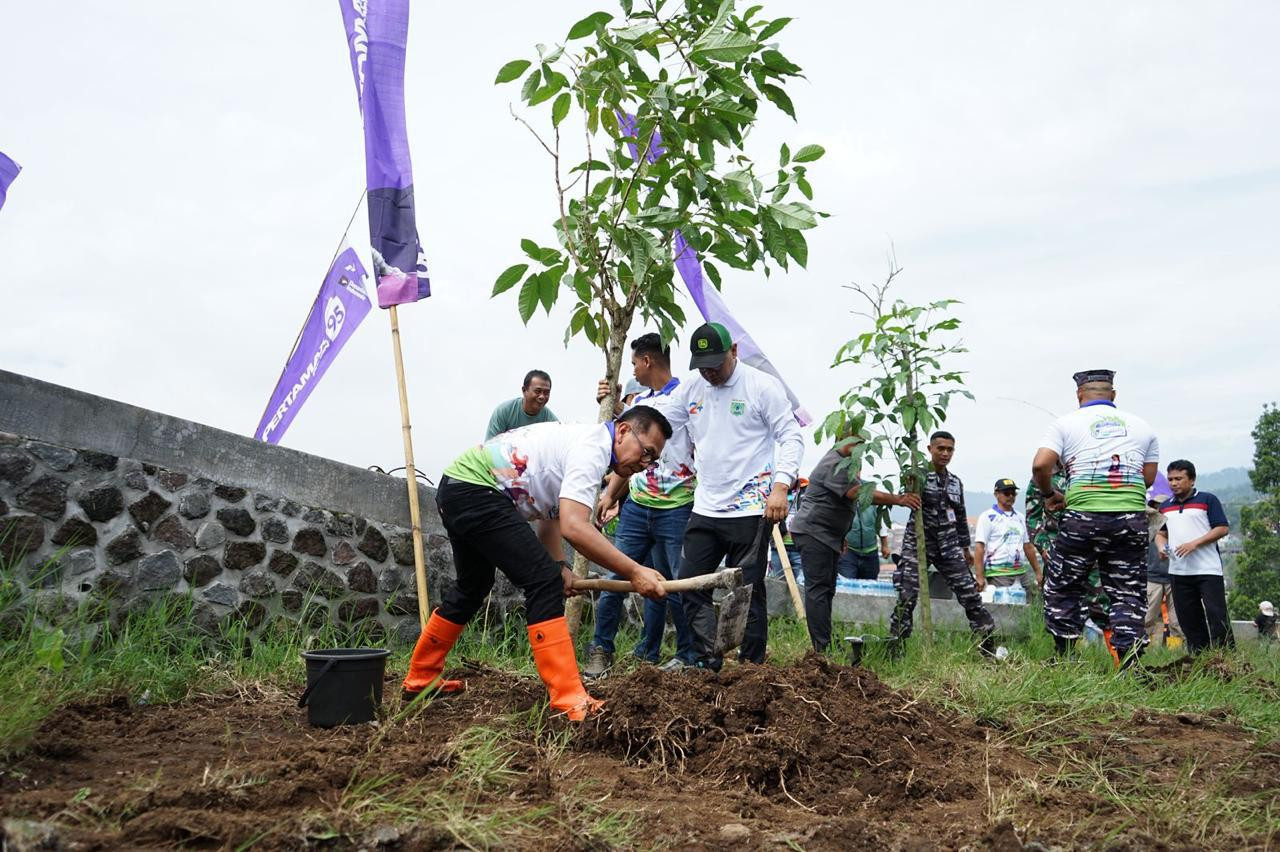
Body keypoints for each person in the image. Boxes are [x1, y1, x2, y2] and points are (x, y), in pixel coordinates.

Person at [401, 408, 672, 720]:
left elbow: (552, 518)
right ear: (623, 431)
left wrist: (560, 565)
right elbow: (575, 527)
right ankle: (570, 699)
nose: (644, 464)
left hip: (457, 486)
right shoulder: (592, 449)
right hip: (476, 489)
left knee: (475, 585)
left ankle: (421, 678)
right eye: (646, 452)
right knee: (542, 581)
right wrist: (634, 571)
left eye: (652, 460)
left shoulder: (584, 445)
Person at [643, 322, 805, 670]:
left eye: (716, 363)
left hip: (751, 508)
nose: (710, 372)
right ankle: (706, 660)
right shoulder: (691, 388)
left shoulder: (762, 387)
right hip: (706, 507)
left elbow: (790, 436)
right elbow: (658, 423)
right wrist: (622, 426)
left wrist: (780, 486)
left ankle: (750, 666)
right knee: (688, 584)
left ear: (734, 351)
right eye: (703, 365)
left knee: (747, 592)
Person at [586, 334, 699, 678]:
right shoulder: (640, 402)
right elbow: (628, 459)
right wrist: (610, 496)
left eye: (635, 362)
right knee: (615, 576)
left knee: (677, 584)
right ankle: (600, 651)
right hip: (637, 505)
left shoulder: (686, 397)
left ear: (648, 361)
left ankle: (688, 656)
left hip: (676, 507)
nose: (633, 367)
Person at [1032, 369, 1159, 666]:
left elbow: (1040, 466)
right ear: (1113, 395)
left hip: (1082, 519)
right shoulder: (1143, 427)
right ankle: (1130, 663)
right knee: (1127, 591)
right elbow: (1148, 479)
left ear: (1079, 395)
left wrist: (1050, 494)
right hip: (1130, 520)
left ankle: (1064, 657)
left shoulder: (1064, 424)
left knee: (1064, 585)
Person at [788, 436, 919, 652]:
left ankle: (825, 643)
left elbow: (838, 502)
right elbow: (856, 492)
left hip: (827, 535)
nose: (861, 449)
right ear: (843, 441)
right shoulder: (836, 462)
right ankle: (822, 649)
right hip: (814, 532)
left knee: (827, 589)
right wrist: (898, 499)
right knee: (819, 590)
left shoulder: (846, 462)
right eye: (858, 443)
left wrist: (841, 536)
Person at [889, 431, 996, 655]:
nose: (945, 453)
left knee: (970, 594)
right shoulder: (917, 476)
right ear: (930, 449)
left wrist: (965, 548)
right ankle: (895, 647)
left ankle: (986, 647)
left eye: (950, 449)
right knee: (907, 595)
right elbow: (907, 494)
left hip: (949, 546)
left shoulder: (956, 483)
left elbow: (960, 514)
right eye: (941, 448)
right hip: (918, 543)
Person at [1156, 459, 1233, 654]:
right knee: (1188, 618)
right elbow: (1160, 532)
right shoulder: (1165, 506)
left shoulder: (1207, 500)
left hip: (1208, 569)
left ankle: (1227, 658)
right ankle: (1200, 658)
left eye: (1179, 478)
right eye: (1171, 479)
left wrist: (1194, 543)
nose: (1174, 483)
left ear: (1192, 480)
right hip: (1178, 571)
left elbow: (1222, 528)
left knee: (1217, 615)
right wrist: (1161, 547)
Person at [973, 479, 1043, 596]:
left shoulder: (1020, 517)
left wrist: (1038, 572)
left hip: (1020, 572)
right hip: (998, 573)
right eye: (1006, 493)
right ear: (996, 494)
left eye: (1013, 493)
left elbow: (1027, 546)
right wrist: (979, 576)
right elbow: (979, 548)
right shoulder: (987, 517)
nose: (1010, 496)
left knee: (1030, 604)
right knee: (1006, 607)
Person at [1144, 501, 1181, 647]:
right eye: (1155, 505)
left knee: (1176, 620)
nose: (1158, 508)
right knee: (1147, 618)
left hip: (1173, 577)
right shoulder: (1147, 526)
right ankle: (1143, 650)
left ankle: (1175, 652)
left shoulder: (1176, 528)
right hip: (1152, 577)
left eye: (1161, 506)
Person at [837, 486, 892, 581]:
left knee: (870, 586)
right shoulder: (843, 501)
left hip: (870, 552)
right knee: (847, 585)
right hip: (849, 551)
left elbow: (880, 523)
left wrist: (885, 545)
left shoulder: (872, 502)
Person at [484, 369, 558, 439]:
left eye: (546, 393)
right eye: (537, 391)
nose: (542, 396)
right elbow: (489, 447)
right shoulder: (503, 412)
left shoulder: (551, 422)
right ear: (524, 390)